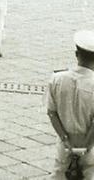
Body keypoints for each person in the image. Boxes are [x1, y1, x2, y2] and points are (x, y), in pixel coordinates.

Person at [46, 31, 94, 179]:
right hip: (90, 146)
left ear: (76, 54)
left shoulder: (57, 79)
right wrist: (86, 146)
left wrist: (65, 140)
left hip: (64, 144)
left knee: (59, 174)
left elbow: (52, 113)